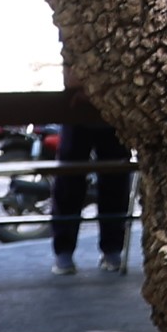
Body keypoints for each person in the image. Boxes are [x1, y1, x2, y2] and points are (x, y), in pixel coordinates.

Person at [46, 114, 129, 275]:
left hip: (78, 115)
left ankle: (65, 253)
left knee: (69, 180)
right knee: (114, 179)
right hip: (109, 115)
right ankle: (111, 251)